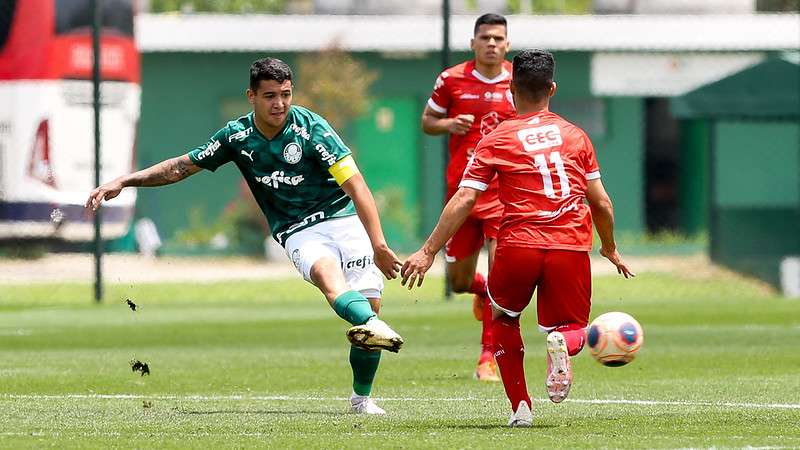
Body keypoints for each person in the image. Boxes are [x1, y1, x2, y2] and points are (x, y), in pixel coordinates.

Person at [86, 57, 405, 415]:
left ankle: (361, 398)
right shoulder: (236, 137)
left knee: (368, 307)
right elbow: (180, 167)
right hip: (297, 229)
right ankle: (370, 325)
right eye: (270, 95)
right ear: (250, 96)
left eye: (285, 94)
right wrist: (124, 180)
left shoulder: (312, 128)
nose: (279, 103)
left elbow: (356, 185)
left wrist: (378, 244)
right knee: (326, 275)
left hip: (343, 219)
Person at [402, 49, 634, 427]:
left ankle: (520, 408)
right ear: (552, 89)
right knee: (572, 328)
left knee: (504, 318)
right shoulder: (576, 136)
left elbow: (465, 198)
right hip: (569, 244)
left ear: (512, 89)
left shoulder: (496, 138)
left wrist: (427, 251)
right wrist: (609, 247)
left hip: (517, 244)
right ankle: (563, 344)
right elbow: (602, 203)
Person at [420, 13, 516, 382]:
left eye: (498, 38)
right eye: (485, 38)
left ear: (507, 44)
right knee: (459, 281)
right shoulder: (451, 79)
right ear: (473, 43)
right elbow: (428, 122)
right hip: (461, 193)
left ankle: (487, 358)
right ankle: (478, 291)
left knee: (501, 279)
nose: (492, 43)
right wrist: (447, 124)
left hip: (503, 194)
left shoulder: (517, 81)